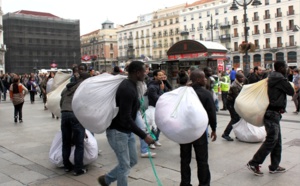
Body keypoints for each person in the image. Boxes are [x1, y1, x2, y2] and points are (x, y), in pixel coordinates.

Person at [98, 61, 155, 186]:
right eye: (144, 71)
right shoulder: (127, 89)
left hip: (126, 131)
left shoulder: (133, 85)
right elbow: (126, 118)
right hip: (118, 132)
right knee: (125, 166)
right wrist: (144, 136)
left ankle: (107, 179)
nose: (146, 74)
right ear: (137, 72)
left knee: (133, 161)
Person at [247, 61, 294, 176]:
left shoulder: (272, 76)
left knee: (277, 141)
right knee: (272, 140)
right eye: (286, 67)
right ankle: (254, 162)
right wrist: (286, 76)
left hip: (272, 112)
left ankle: (274, 166)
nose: (287, 69)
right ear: (281, 68)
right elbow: (291, 91)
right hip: (273, 113)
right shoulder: (280, 79)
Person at [179, 69, 217, 186]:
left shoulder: (184, 92)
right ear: (198, 79)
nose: (206, 79)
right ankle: (204, 184)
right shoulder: (206, 94)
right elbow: (211, 113)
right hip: (199, 131)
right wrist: (213, 129)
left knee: (185, 160)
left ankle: (185, 183)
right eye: (204, 77)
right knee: (202, 160)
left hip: (184, 131)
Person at [60, 63, 90, 176]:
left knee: (66, 142)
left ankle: (67, 166)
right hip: (75, 115)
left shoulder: (67, 87)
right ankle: (78, 168)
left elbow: (61, 101)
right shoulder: (83, 87)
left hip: (64, 114)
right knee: (79, 143)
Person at [221, 72, 244, 141]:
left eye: (243, 77)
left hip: (234, 103)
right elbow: (238, 97)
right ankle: (226, 134)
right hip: (231, 104)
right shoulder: (234, 86)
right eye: (241, 78)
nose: (242, 79)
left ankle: (237, 134)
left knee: (237, 119)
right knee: (235, 118)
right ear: (237, 78)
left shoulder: (239, 83)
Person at [146, 69, 165, 149]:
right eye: (159, 75)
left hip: (159, 107)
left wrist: (164, 84)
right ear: (155, 76)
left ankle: (156, 139)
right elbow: (157, 98)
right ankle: (151, 142)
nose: (162, 76)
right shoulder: (152, 86)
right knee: (154, 126)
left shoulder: (160, 84)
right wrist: (161, 90)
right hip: (153, 108)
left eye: (162, 75)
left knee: (159, 125)